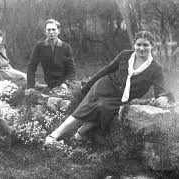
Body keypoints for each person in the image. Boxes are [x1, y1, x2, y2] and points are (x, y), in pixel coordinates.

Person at [45, 31, 174, 145]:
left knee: (103, 107)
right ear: (134, 44)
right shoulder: (125, 55)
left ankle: (82, 132)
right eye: (138, 44)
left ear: (152, 46)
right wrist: (87, 86)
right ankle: (54, 135)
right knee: (84, 108)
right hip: (105, 86)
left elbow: (160, 91)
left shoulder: (156, 69)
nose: (141, 48)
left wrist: (164, 98)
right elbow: (106, 70)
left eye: (145, 45)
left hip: (123, 98)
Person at [27, 19, 77, 89]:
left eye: (53, 29)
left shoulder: (66, 47)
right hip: (50, 84)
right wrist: (30, 87)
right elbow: (31, 67)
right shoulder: (39, 47)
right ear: (45, 32)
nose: (51, 32)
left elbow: (71, 71)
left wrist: (66, 84)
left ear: (58, 31)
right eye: (49, 30)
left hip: (65, 85)